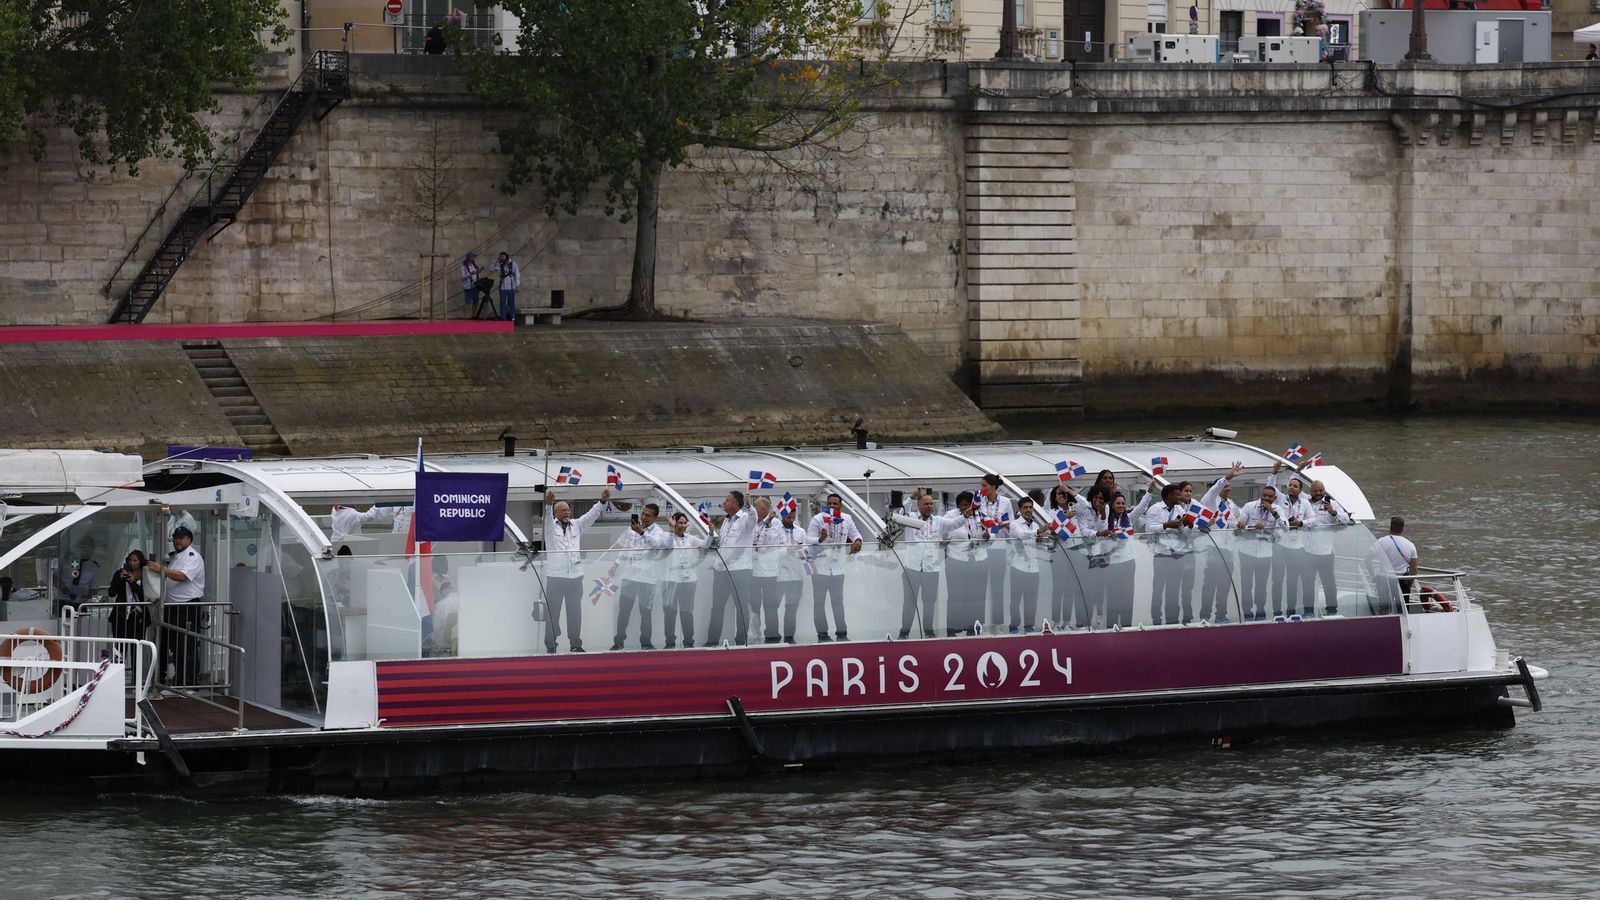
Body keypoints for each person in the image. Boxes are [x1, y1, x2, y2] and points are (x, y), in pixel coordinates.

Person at [542, 488, 611, 652]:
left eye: (568, 509)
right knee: (552, 614)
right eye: (563, 510)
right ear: (556, 512)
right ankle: (551, 646)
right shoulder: (551, 527)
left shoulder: (576, 525)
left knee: (575, 614)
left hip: (575, 578)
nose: (567, 512)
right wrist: (548, 504)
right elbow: (547, 518)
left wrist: (602, 501)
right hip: (556, 578)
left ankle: (575, 645)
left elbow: (591, 516)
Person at [145, 525, 206, 684]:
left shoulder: (193, 556)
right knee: (173, 645)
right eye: (175, 538)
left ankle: (188, 682)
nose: (176, 541)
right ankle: (175, 681)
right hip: (173, 607)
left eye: (180, 538)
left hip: (187, 607)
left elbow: (182, 577)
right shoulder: (175, 557)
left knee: (187, 646)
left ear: (189, 539)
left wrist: (161, 569)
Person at [610, 502, 671, 651]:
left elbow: (658, 545)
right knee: (624, 611)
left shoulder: (658, 532)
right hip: (629, 576)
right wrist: (616, 564)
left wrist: (642, 532)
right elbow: (626, 548)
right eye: (643, 513)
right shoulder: (633, 529)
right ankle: (618, 642)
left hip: (647, 578)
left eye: (648, 515)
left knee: (645, 612)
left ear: (655, 517)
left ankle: (646, 643)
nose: (644, 517)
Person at [805, 493, 862, 641]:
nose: (831, 506)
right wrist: (820, 539)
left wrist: (858, 542)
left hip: (838, 568)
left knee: (837, 601)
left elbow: (856, 535)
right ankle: (822, 635)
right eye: (829, 504)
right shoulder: (818, 519)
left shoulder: (847, 519)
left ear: (840, 505)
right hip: (819, 568)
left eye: (834, 504)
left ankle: (842, 634)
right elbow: (808, 539)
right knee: (819, 602)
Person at [898, 491, 955, 639]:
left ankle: (929, 632)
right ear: (919, 505)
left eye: (931, 503)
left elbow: (954, 524)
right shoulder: (911, 518)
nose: (930, 506)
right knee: (909, 603)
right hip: (912, 568)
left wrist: (965, 516)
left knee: (929, 602)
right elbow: (900, 513)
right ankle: (904, 633)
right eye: (926, 503)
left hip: (931, 569)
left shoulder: (938, 520)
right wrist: (910, 498)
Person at [706, 490, 758, 645]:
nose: (725, 502)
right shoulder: (726, 521)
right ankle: (712, 641)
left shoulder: (745, 519)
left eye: (727, 500)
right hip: (722, 570)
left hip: (740, 570)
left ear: (736, 504)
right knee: (717, 607)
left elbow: (753, 519)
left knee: (741, 607)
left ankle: (741, 641)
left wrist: (749, 506)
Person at [1195, 463, 1244, 623]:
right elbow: (1216, 487)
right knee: (1209, 587)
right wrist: (1228, 476)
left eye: (1230, 486)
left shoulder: (1231, 504)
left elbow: (1235, 524)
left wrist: (1240, 527)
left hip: (1228, 551)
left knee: (1224, 587)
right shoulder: (1210, 499)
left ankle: (1221, 615)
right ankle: (1205, 617)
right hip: (1213, 550)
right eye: (1226, 486)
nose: (1228, 488)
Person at [1266, 462, 1313, 619]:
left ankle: (1291, 612)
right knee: (1277, 581)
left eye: (1295, 486)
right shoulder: (1280, 498)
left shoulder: (1305, 503)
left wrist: (1301, 523)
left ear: (1300, 490)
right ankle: (1277, 612)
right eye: (1290, 485)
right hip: (1280, 545)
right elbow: (1270, 487)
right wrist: (1274, 472)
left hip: (1297, 547)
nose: (1292, 487)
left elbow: (1314, 520)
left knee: (1293, 581)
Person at [940, 490, 991, 635]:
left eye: (967, 505)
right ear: (957, 506)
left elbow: (993, 532)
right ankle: (953, 628)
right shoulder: (950, 516)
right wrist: (945, 541)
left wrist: (988, 536)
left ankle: (973, 627)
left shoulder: (981, 515)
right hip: (957, 560)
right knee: (956, 595)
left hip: (979, 559)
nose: (965, 508)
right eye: (962, 506)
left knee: (977, 595)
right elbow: (941, 532)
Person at [1302, 480, 1353, 616]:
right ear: (1311, 491)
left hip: (1326, 551)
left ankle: (1331, 610)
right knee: (1307, 583)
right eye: (1315, 491)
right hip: (1307, 551)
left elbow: (1346, 520)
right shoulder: (1305, 501)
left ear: (1324, 490)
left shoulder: (1332, 503)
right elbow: (1291, 491)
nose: (1318, 493)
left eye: (1320, 491)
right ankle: (1308, 611)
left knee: (1328, 583)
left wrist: (1333, 512)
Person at [1143, 483, 1192, 624]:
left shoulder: (1179, 508)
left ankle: (1172, 619)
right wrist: (1166, 525)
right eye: (1177, 494)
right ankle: (1156, 620)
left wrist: (1189, 526)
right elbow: (1148, 528)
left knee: (1174, 589)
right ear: (1169, 496)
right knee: (1158, 589)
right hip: (1161, 555)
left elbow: (1184, 533)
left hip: (1177, 555)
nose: (1180, 496)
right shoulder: (1155, 509)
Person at [660, 512, 710, 648]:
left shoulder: (691, 538)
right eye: (679, 523)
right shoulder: (666, 536)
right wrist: (671, 529)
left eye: (684, 523)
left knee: (686, 613)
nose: (682, 525)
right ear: (674, 523)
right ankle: (669, 643)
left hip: (688, 581)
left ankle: (689, 642)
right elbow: (668, 546)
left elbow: (705, 544)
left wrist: (710, 533)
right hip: (670, 580)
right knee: (670, 614)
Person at [1235, 484, 1283, 621]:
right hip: (1247, 552)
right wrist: (1251, 527)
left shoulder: (1278, 510)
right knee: (1246, 585)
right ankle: (1247, 613)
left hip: (1265, 553)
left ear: (1275, 498)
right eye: (1264, 495)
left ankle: (1260, 612)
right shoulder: (1249, 506)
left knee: (1261, 585)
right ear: (1261, 495)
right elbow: (1238, 526)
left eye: (1270, 497)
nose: (1266, 498)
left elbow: (1281, 533)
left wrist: (1267, 527)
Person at [1005, 497, 1050, 633]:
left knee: (1031, 600)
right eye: (1025, 507)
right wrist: (1038, 532)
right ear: (1019, 509)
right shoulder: (1014, 524)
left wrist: (1040, 539)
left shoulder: (1036, 525)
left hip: (1034, 567)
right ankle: (1013, 626)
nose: (1028, 510)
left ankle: (1029, 625)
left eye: (1030, 507)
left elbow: (1037, 544)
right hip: (1018, 567)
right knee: (1015, 600)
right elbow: (1021, 535)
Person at [766, 503, 809, 644]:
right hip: (777, 576)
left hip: (795, 576)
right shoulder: (775, 530)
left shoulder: (801, 531)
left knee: (791, 608)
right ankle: (772, 636)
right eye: (788, 517)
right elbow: (770, 551)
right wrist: (787, 551)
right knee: (772, 607)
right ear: (782, 516)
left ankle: (790, 637)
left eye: (793, 517)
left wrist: (801, 553)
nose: (790, 520)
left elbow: (806, 552)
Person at [976, 474, 1013, 628]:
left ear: (993, 486)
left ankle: (998, 622)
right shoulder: (978, 502)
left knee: (998, 586)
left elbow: (1009, 524)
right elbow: (976, 521)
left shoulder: (1006, 502)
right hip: (981, 550)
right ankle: (979, 622)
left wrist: (992, 532)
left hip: (999, 548)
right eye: (981, 486)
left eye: (984, 486)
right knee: (980, 587)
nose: (982, 489)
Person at [1376, 516, 1419, 612]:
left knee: (1384, 608)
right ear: (1402, 528)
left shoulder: (1381, 542)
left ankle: (1383, 625)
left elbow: (1368, 559)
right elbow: (1414, 569)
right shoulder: (1410, 545)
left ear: (1390, 527)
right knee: (1403, 609)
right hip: (1402, 581)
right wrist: (1409, 583)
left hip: (1384, 579)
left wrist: (1373, 575)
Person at [107, 550, 150, 641]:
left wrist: (132, 583)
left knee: (137, 647)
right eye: (130, 560)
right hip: (121, 616)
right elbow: (111, 593)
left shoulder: (145, 575)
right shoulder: (120, 573)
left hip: (139, 616)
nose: (132, 563)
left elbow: (145, 596)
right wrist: (119, 579)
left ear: (140, 562)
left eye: (135, 561)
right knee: (120, 647)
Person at [55, 536, 101, 617]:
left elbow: (93, 589)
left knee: (79, 627)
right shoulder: (66, 560)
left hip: (80, 604)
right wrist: (62, 586)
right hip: (63, 601)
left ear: (92, 549)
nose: (86, 549)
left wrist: (84, 595)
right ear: (79, 547)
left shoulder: (93, 567)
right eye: (83, 546)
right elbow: (54, 576)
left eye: (89, 547)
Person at [494, 251, 521, 322]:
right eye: (501, 256)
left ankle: (513, 318)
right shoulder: (500, 264)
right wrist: (496, 261)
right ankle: (503, 318)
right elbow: (493, 269)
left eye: (503, 256)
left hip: (511, 287)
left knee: (511, 303)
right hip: (503, 287)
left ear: (506, 256)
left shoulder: (513, 264)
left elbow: (517, 275)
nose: (502, 258)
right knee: (502, 303)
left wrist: (517, 285)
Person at [460, 252, 483, 318]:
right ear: (469, 258)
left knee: (476, 301)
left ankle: (474, 315)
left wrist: (479, 271)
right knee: (468, 302)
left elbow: (476, 273)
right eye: (473, 257)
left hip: (476, 286)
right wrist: (471, 273)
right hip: (468, 286)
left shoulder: (474, 265)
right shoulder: (463, 267)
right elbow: (463, 277)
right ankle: (466, 316)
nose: (474, 258)